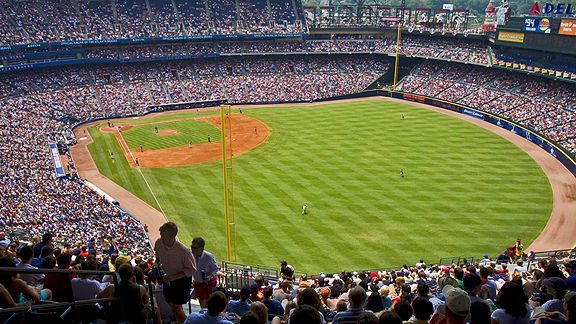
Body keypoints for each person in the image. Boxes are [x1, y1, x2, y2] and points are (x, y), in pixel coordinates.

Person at [154, 222, 197, 324]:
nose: (161, 238)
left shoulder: (183, 251)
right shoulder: (159, 243)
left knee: (175, 307)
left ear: (172, 236)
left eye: (163, 236)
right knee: (172, 303)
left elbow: (192, 269)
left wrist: (175, 277)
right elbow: (158, 256)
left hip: (182, 280)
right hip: (168, 277)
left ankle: (187, 322)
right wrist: (156, 265)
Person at [191, 237, 218, 308]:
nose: (192, 249)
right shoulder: (190, 256)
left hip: (208, 283)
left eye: (195, 248)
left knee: (209, 303)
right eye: (192, 247)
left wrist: (209, 276)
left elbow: (215, 269)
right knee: (202, 303)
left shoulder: (209, 256)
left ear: (202, 248)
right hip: (198, 283)